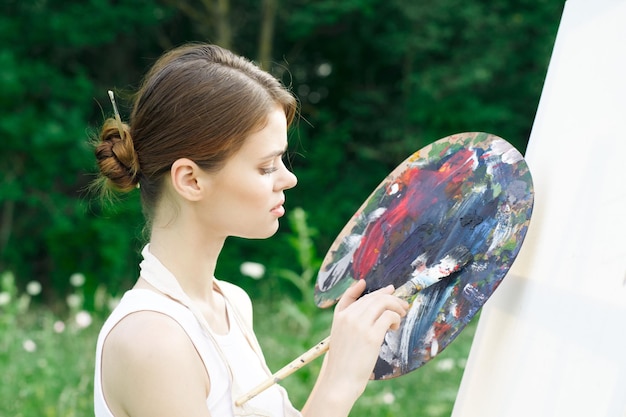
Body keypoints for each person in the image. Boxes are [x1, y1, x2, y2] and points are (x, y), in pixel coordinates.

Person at [92, 43, 409, 417]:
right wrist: (338, 383)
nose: (288, 179)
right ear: (191, 180)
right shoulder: (152, 340)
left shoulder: (231, 304)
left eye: (282, 161)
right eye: (266, 167)